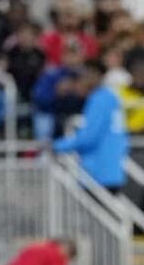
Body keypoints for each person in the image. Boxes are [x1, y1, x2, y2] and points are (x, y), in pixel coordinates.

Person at [52, 60, 128, 193]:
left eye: (83, 76)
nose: (80, 81)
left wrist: (57, 146)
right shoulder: (112, 98)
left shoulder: (98, 99)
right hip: (113, 171)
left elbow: (88, 137)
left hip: (97, 172)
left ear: (93, 76)